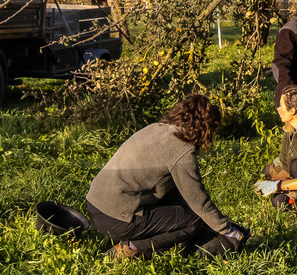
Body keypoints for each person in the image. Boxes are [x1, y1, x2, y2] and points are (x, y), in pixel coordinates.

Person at [86, 95, 250, 259]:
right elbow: (198, 201)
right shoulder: (182, 150)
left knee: (181, 206)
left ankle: (182, 245)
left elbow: (176, 195)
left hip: (95, 206)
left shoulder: (156, 128)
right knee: (192, 221)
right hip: (116, 218)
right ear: (206, 129)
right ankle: (129, 248)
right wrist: (228, 230)